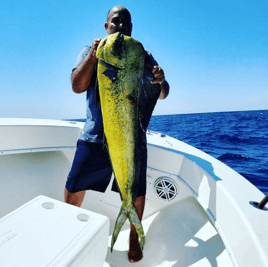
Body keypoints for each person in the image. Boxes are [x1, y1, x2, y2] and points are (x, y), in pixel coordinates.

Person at [64, 5, 169, 263]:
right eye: (115, 22)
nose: (120, 27)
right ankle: (66, 227)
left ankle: (133, 236)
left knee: (135, 194)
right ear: (106, 25)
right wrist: (94, 55)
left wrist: (160, 80)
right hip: (95, 136)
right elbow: (77, 85)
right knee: (73, 186)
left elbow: (163, 92)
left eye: (125, 23)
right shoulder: (92, 51)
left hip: (132, 136)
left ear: (131, 28)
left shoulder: (142, 54)